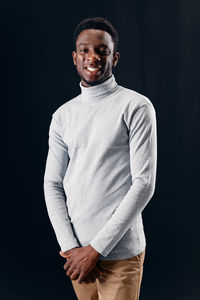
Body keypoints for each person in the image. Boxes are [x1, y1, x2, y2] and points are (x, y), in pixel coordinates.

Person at [43, 16, 157, 300]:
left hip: (120, 254)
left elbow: (144, 183)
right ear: (74, 57)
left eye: (102, 51)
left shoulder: (136, 106)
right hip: (77, 255)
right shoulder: (63, 116)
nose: (93, 57)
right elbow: (53, 184)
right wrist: (71, 248)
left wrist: (96, 250)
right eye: (85, 50)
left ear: (114, 57)